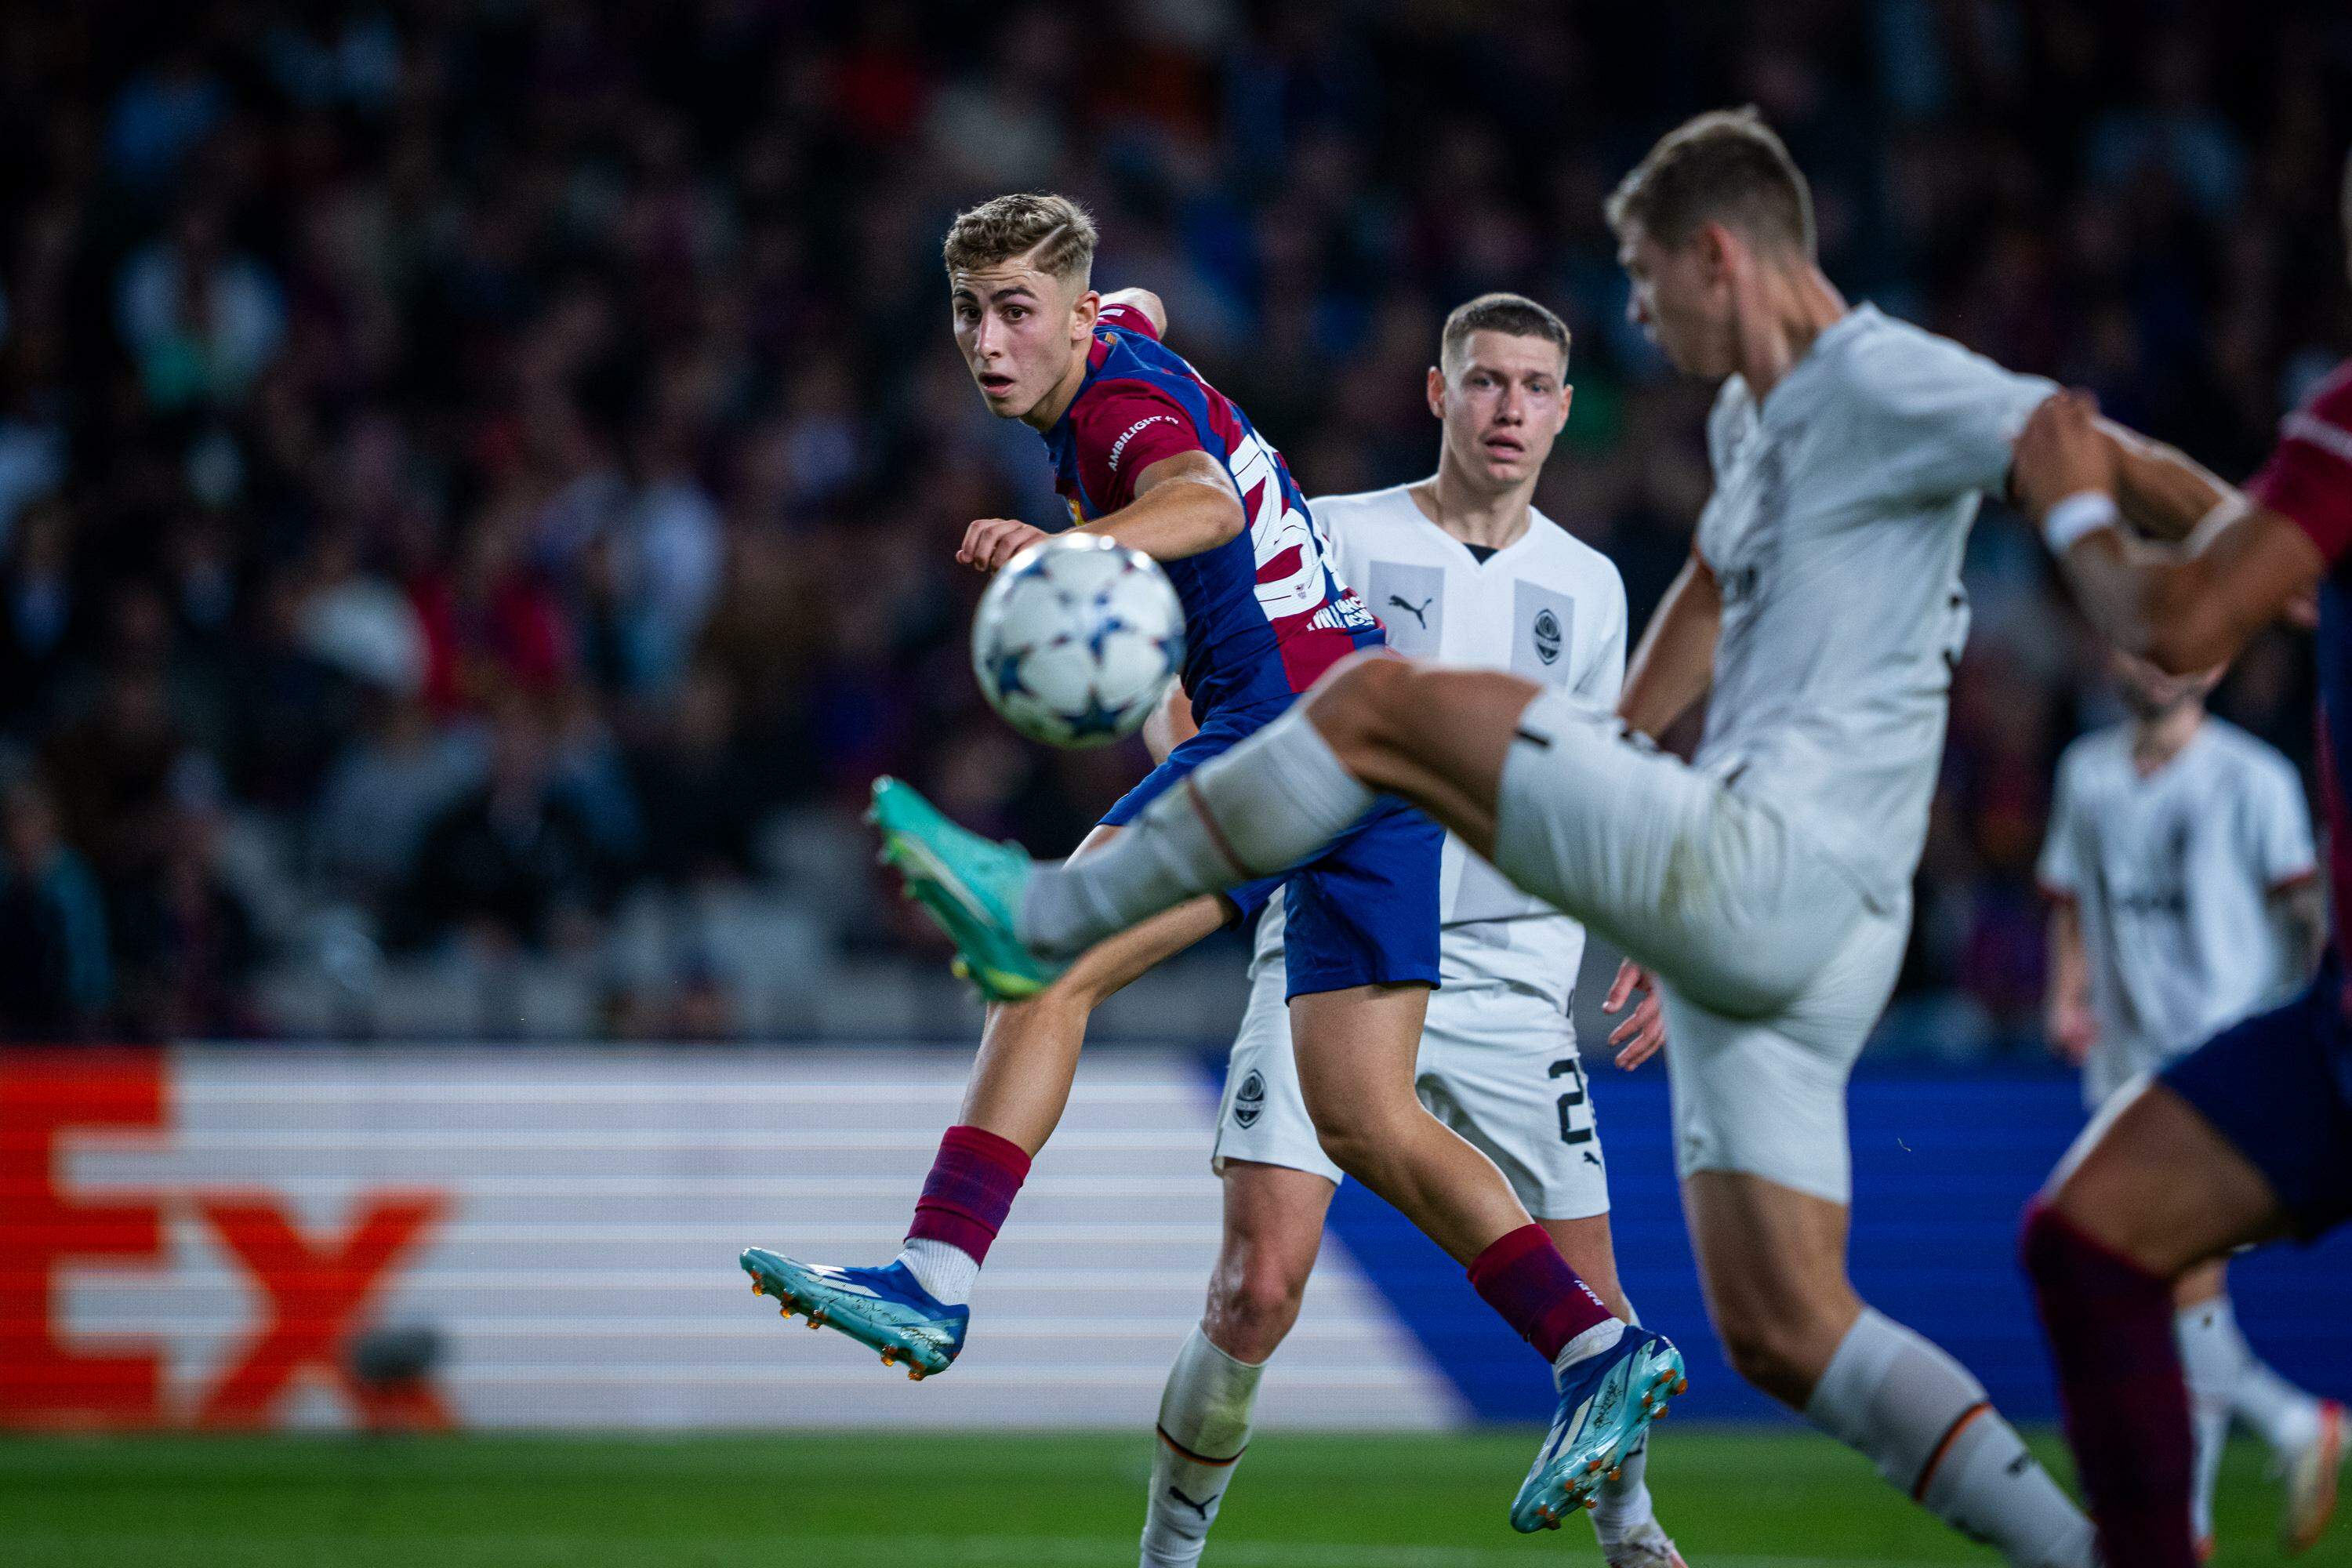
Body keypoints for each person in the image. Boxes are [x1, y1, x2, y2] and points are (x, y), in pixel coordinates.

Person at [872, 109, 2239, 1566]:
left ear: (1721, 257)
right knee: (1783, 1329)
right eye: (1501, 375)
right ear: (1443, 392)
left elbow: (2076, 441)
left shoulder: (1877, 386)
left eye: (1646, 284)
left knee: (1376, 710)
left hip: (1732, 879)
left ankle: (1060, 910)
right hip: (1713, 894)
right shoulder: (1743, 424)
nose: (1636, 317)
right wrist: (1632, 822)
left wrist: (2266, 551)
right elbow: (1710, 590)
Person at [746, 195, 1682, 1534]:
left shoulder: (1119, 416)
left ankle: (935, 1274)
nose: (991, 342)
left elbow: (1187, 495)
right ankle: (1599, 1349)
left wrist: (1068, 549)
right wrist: (1106, 316)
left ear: (1071, 317)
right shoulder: (1115, 336)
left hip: (1287, 740)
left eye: (1020, 312)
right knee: (1364, 1111)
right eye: (970, 312)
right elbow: (1155, 321)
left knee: (1049, 955)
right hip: (1378, 761)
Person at [1136, 293, 1685, 1568]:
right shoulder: (1333, 536)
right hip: (1334, 948)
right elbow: (1181, 674)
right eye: (1484, 382)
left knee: (1599, 1304)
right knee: (1255, 1288)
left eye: (1534, 387)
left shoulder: (1588, 589)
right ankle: (1165, 1559)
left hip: (1512, 973)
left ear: (1561, 410)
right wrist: (1209, 800)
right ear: (1438, 395)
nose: (1508, 409)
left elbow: (1608, 782)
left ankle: (1637, 1538)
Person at [2011, 144, 2352, 1568]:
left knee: (2099, 1253)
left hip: (2280, 1015)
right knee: (2094, 1242)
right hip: (2313, 1028)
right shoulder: (2097, 778)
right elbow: (2269, 577)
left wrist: (2075, 499)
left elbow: (2183, 619)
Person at [2039, 652, 2339, 1556]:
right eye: (2140, 644)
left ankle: (2214, 1498)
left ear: (2214, 661)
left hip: (2222, 1067)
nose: (2158, 666)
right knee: (2164, 1278)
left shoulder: (2257, 776)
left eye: (2178, 649)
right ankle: (2284, 1435)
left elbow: (2307, 910)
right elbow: (2068, 901)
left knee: (2163, 1269)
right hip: (2130, 1064)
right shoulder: (2084, 771)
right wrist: (2067, 992)